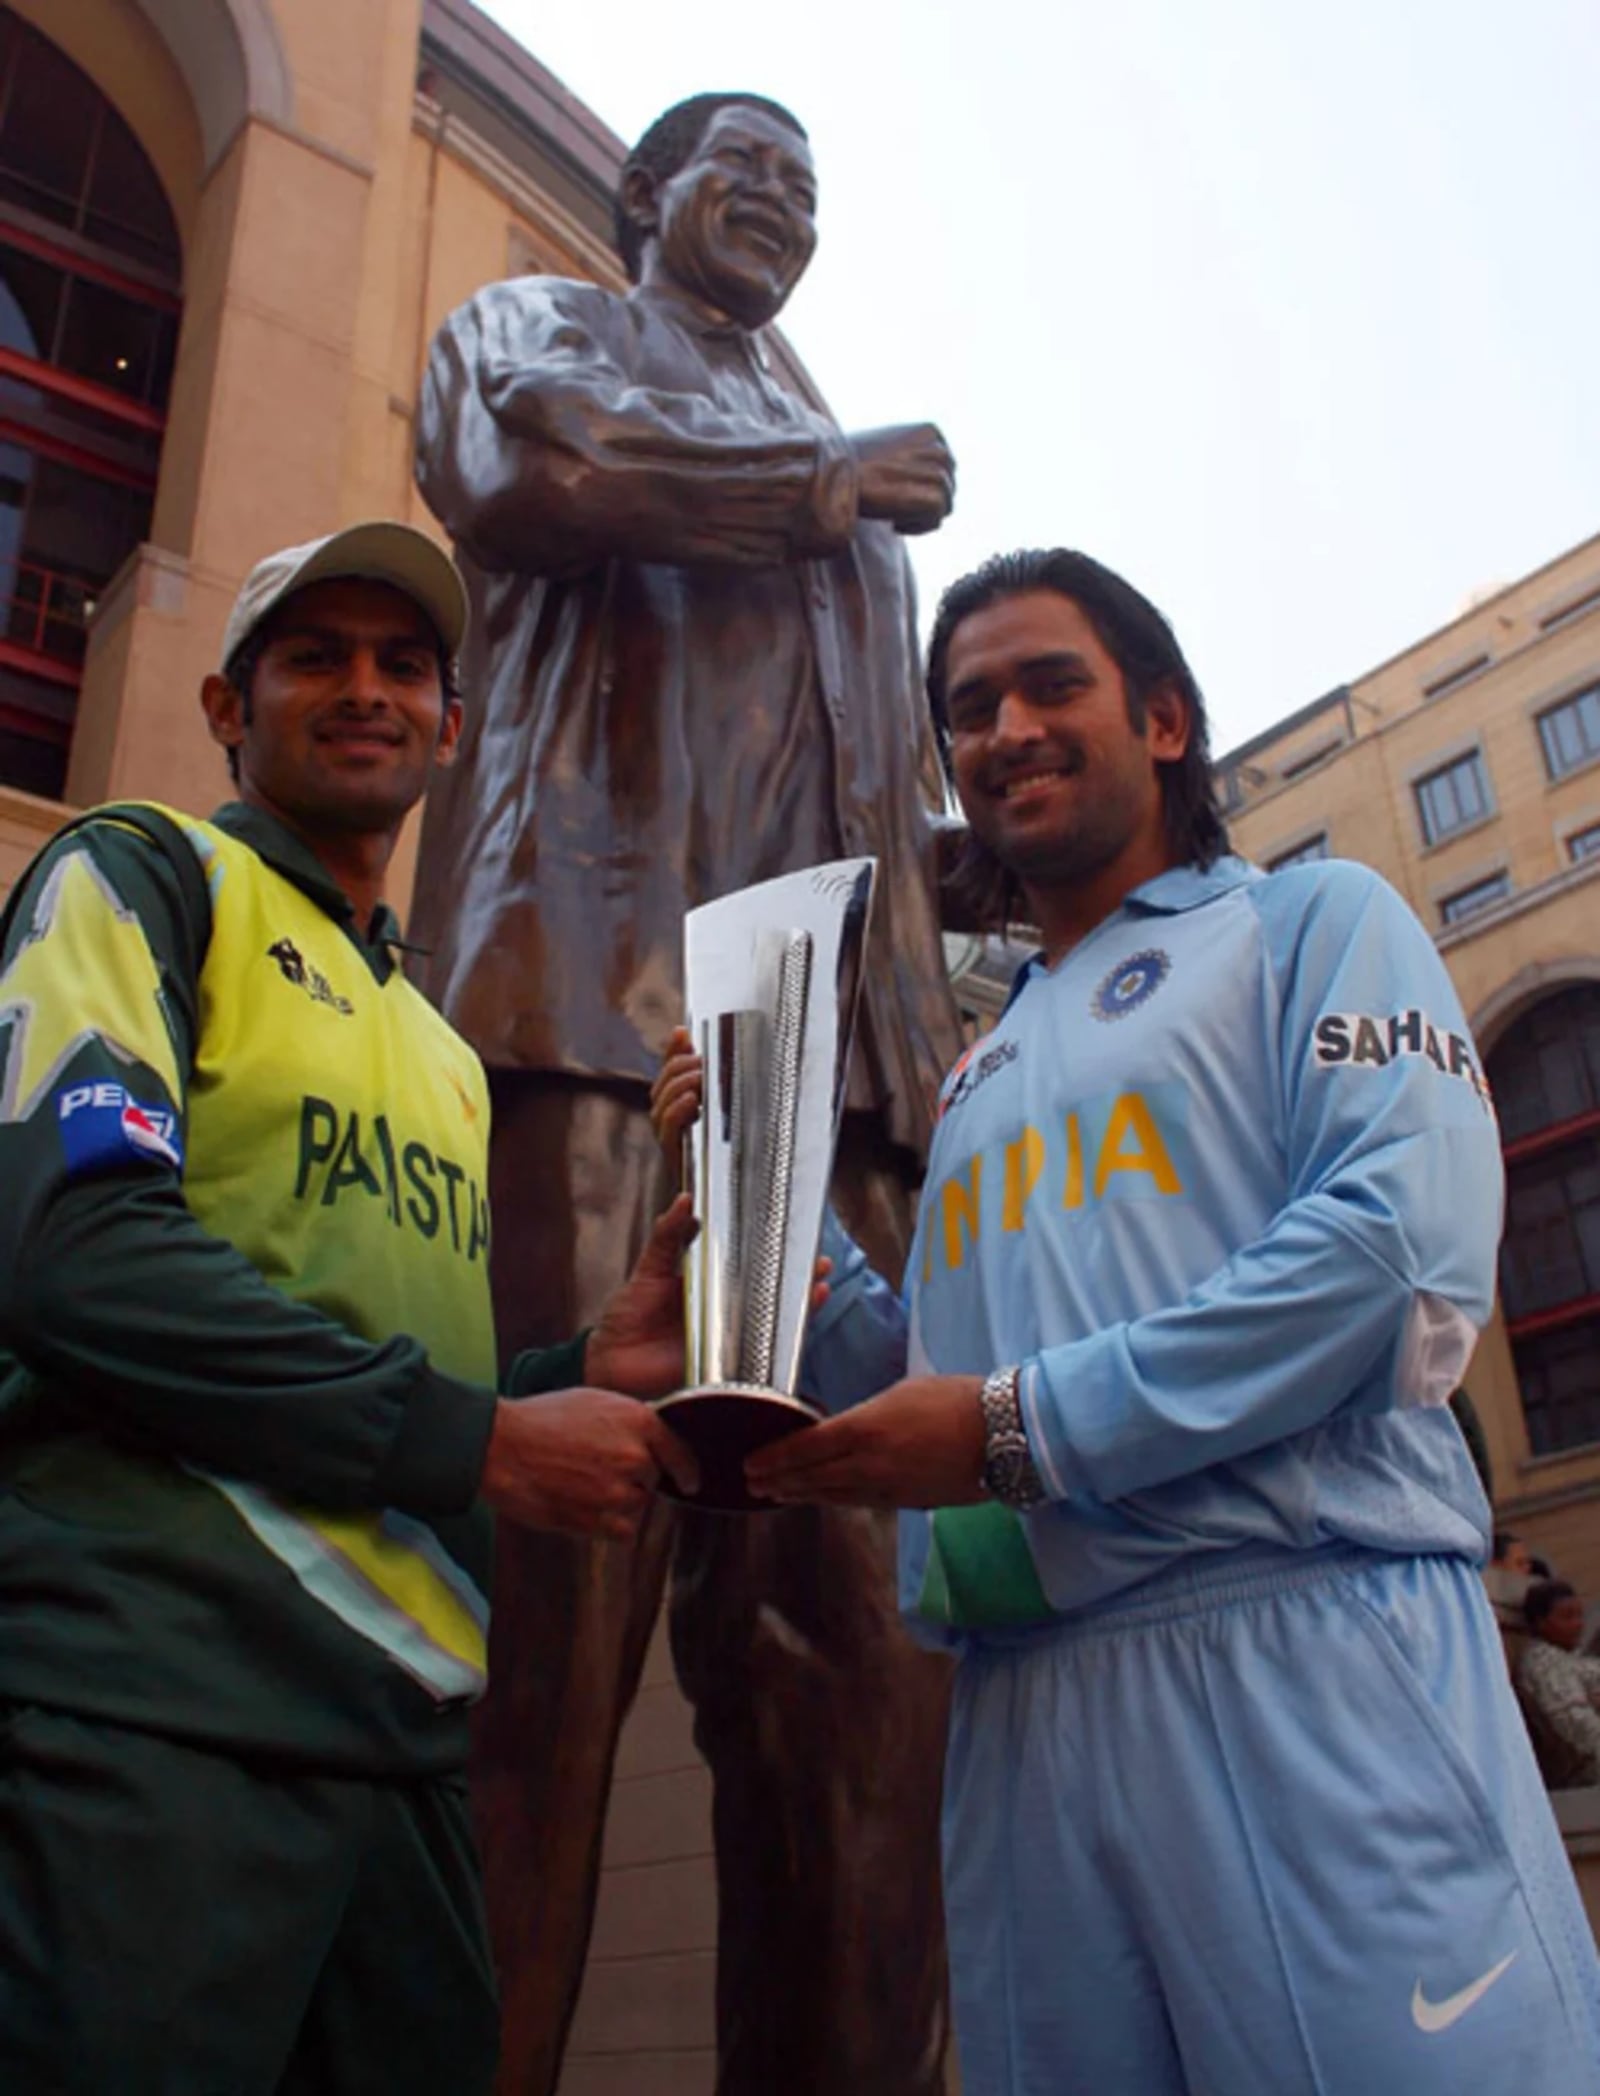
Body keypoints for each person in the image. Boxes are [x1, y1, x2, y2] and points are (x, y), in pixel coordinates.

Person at [658, 547, 1600, 2092]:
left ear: (1163, 719)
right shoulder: (986, 1066)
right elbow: (925, 1388)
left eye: (1050, 684)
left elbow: (1395, 1262)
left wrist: (1017, 1427)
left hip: (1298, 1638)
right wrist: (759, 1184)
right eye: (969, 709)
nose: (1007, 727)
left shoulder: (1309, 925)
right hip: (1024, 1705)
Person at [408, 90, 963, 2090]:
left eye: (811, 187)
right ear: (644, 195)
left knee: (856, 1678)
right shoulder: (541, 330)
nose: (785, 206)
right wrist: (818, 482)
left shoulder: (849, 511)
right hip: (590, 1014)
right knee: (537, 1658)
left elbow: (884, 804)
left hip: (832, 1092)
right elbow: (536, 470)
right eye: (746, 166)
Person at [0, 523, 701, 2095]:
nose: (364, 688)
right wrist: (488, 1437)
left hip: (400, 1757)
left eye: (403, 665)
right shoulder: (140, 876)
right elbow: (76, 1258)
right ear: (224, 707)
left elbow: (375, 1358)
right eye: (314, 656)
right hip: (155, 1712)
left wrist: (582, 1365)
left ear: (452, 729)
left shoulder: (439, 1047)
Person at [1519, 1581, 1600, 1786]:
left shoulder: (1569, 1658)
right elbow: (1578, 1727)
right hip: (1583, 1772)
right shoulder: (1545, 1663)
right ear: (1541, 1622)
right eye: (1567, 1616)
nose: (1579, 1623)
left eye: (1579, 1615)